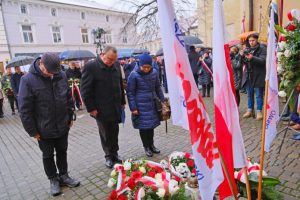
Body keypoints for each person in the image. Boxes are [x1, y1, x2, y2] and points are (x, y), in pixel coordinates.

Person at [18, 53, 80, 196]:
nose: (50, 74)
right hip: (43, 127)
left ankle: (64, 175)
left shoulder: (62, 75)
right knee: (47, 155)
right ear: (41, 64)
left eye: (53, 72)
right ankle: (53, 179)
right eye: (48, 71)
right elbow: (25, 109)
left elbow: (68, 97)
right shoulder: (27, 80)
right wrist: (32, 131)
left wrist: (70, 116)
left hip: (62, 123)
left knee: (62, 150)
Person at [80, 46, 126, 169]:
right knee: (105, 133)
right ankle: (108, 156)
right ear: (102, 54)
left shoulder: (116, 65)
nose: (111, 63)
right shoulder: (91, 67)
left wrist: (122, 101)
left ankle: (115, 153)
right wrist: (91, 108)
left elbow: (120, 84)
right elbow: (85, 90)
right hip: (100, 108)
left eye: (113, 60)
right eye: (109, 59)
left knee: (114, 131)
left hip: (115, 106)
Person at [127, 53, 165, 157]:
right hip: (140, 105)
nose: (146, 69)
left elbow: (158, 88)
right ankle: (146, 147)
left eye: (148, 67)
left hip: (152, 104)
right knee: (143, 127)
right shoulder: (133, 75)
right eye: (144, 67)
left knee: (151, 126)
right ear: (140, 65)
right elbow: (130, 92)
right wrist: (133, 107)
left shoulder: (154, 73)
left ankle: (152, 145)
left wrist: (163, 100)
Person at [240, 33, 266, 120]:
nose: (251, 42)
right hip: (249, 74)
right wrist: (241, 56)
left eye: (253, 40)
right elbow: (243, 63)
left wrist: (252, 57)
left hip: (258, 75)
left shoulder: (262, 49)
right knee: (249, 94)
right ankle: (250, 110)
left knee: (259, 94)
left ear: (257, 40)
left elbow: (263, 61)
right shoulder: (247, 49)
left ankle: (259, 111)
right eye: (250, 41)